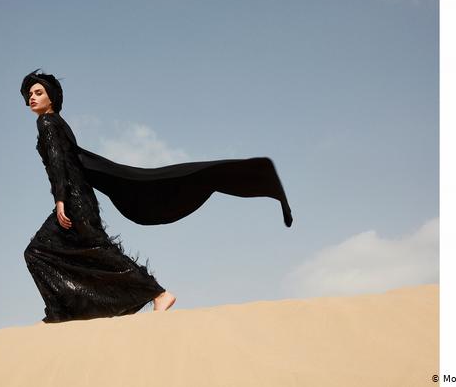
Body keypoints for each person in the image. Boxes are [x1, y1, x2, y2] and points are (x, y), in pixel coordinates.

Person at [21, 69, 292, 325]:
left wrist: (60, 200)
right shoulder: (57, 124)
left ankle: (157, 294)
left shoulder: (47, 123)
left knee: (71, 252)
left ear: (52, 97)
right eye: (30, 94)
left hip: (74, 201)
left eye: (38, 92)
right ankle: (58, 314)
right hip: (79, 198)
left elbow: (58, 164)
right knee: (52, 252)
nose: (32, 97)